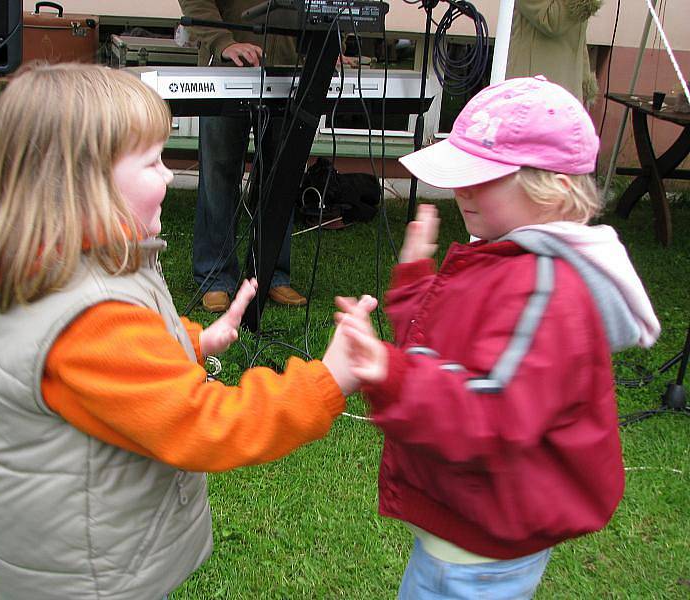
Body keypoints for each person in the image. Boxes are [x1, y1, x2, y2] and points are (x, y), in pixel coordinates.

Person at [0, 63, 369, 599]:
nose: (169, 175)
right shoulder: (89, 316)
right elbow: (202, 424)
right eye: (151, 162)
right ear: (83, 185)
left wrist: (193, 342)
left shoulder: (60, 271)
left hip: (79, 556)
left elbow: (123, 363)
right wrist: (326, 380)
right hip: (93, 581)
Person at [336, 76, 661, 599]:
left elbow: (491, 412)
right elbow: (443, 349)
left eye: (482, 177)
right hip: (467, 523)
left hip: (480, 551)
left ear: (549, 186)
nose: (460, 189)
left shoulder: (544, 291)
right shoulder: (506, 255)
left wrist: (389, 374)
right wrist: (417, 279)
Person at [178, 0, 308, 312]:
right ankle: (215, 276)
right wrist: (224, 42)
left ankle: (273, 274)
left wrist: (328, 45)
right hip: (225, 69)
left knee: (281, 175)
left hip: (289, 72)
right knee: (219, 174)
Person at [506, 0, 603, 105]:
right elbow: (552, 21)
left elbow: (578, 40)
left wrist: (584, 80)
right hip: (534, 90)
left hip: (565, 87)